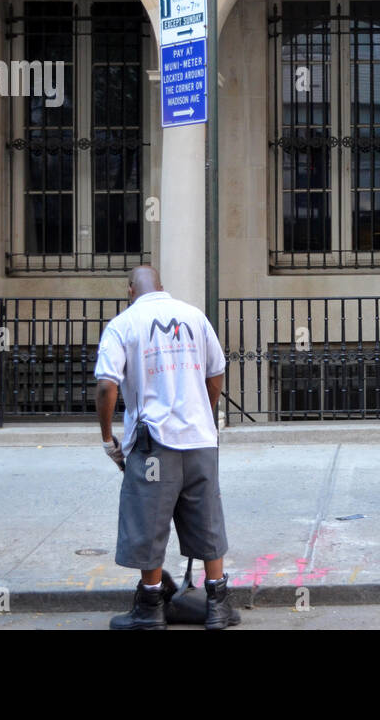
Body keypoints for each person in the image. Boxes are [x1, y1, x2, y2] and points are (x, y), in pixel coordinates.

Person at [94, 265, 236, 630]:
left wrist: (108, 437)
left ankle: (150, 606)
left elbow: (107, 387)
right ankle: (218, 604)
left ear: (130, 290)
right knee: (207, 518)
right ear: (162, 286)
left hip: (154, 442)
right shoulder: (195, 316)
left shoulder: (123, 325)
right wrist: (201, 412)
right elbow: (216, 373)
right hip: (200, 438)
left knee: (148, 520)